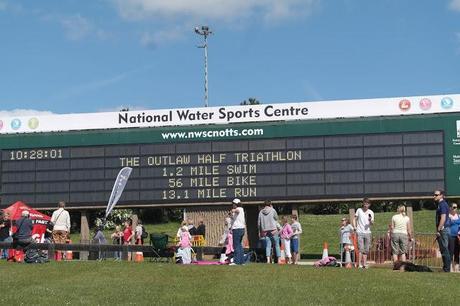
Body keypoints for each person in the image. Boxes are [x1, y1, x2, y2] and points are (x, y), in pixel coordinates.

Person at [352, 198, 374, 269]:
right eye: (365, 203)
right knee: (361, 249)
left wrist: (370, 220)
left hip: (368, 232)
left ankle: (364, 264)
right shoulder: (359, 210)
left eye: (367, 204)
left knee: (366, 249)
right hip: (360, 232)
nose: (366, 205)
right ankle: (359, 264)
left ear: (369, 205)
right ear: (363, 203)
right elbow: (354, 219)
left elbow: (372, 223)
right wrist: (355, 227)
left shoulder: (371, 212)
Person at [258, 199, 280, 264]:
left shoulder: (261, 212)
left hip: (265, 231)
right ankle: (278, 260)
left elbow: (258, 223)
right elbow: (276, 218)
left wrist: (260, 231)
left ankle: (268, 260)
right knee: (276, 245)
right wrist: (272, 209)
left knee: (268, 245)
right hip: (273, 230)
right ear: (270, 204)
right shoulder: (273, 210)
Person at [434, 190, 451, 272]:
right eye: (434, 195)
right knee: (444, 249)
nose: (434, 196)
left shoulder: (442, 204)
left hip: (443, 229)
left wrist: (439, 229)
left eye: (436, 195)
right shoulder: (440, 204)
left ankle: (447, 269)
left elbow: (443, 218)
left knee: (444, 249)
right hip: (444, 229)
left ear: (441, 195)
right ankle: (446, 268)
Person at [230, 198, 246, 265]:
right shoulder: (240, 210)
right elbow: (234, 218)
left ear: (235, 204)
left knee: (236, 245)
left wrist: (232, 210)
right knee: (239, 245)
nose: (232, 205)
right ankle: (241, 261)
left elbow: (237, 211)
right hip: (241, 229)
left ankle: (236, 261)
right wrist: (231, 215)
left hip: (237, 229)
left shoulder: (239, 209)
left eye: (233, 204)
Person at [448, 203, 460, 272]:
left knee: (457, 252)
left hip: (457, 236)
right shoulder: (448, 216)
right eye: (453, 207)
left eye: (456, 207)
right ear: (450, 208)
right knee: (451, 252)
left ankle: (456, 267)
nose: (455, 209)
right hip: (450, 236)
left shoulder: (458, 216)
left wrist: (459, 234)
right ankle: (450, 267)